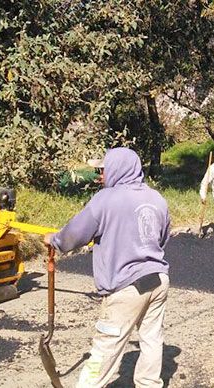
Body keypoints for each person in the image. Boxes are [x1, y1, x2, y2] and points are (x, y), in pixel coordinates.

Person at [43, 148, 171, 388]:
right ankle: (149, 384)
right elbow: (162, 239)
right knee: (152, 338)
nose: (100, 175)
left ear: (118, 169)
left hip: (126, 287)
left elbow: (75, 235)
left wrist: (55, 240)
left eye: (103, 169)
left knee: (105, 346)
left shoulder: (107, 199)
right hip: (158, 279)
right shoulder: (157, 199)